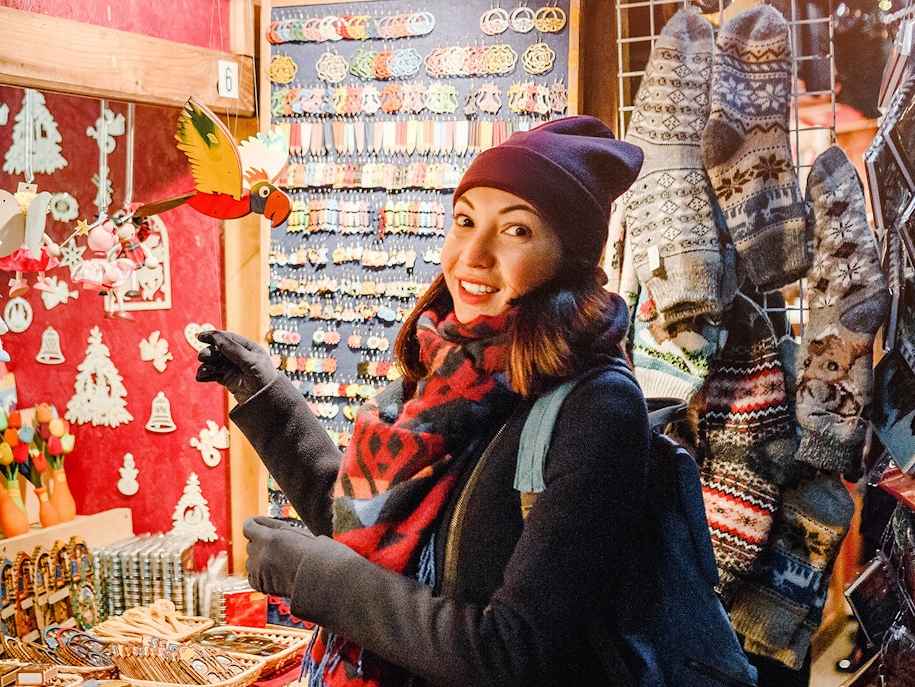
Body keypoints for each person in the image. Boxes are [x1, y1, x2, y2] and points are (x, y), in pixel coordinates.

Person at [197, 117, 657, 686]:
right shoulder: (441, 367)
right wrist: (268, 397)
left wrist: (312, 575)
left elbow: (512, 651)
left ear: (569, 257)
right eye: (465, 222)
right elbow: (366, 525)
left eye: (516, 231)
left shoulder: (594, 407)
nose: (474, 254)